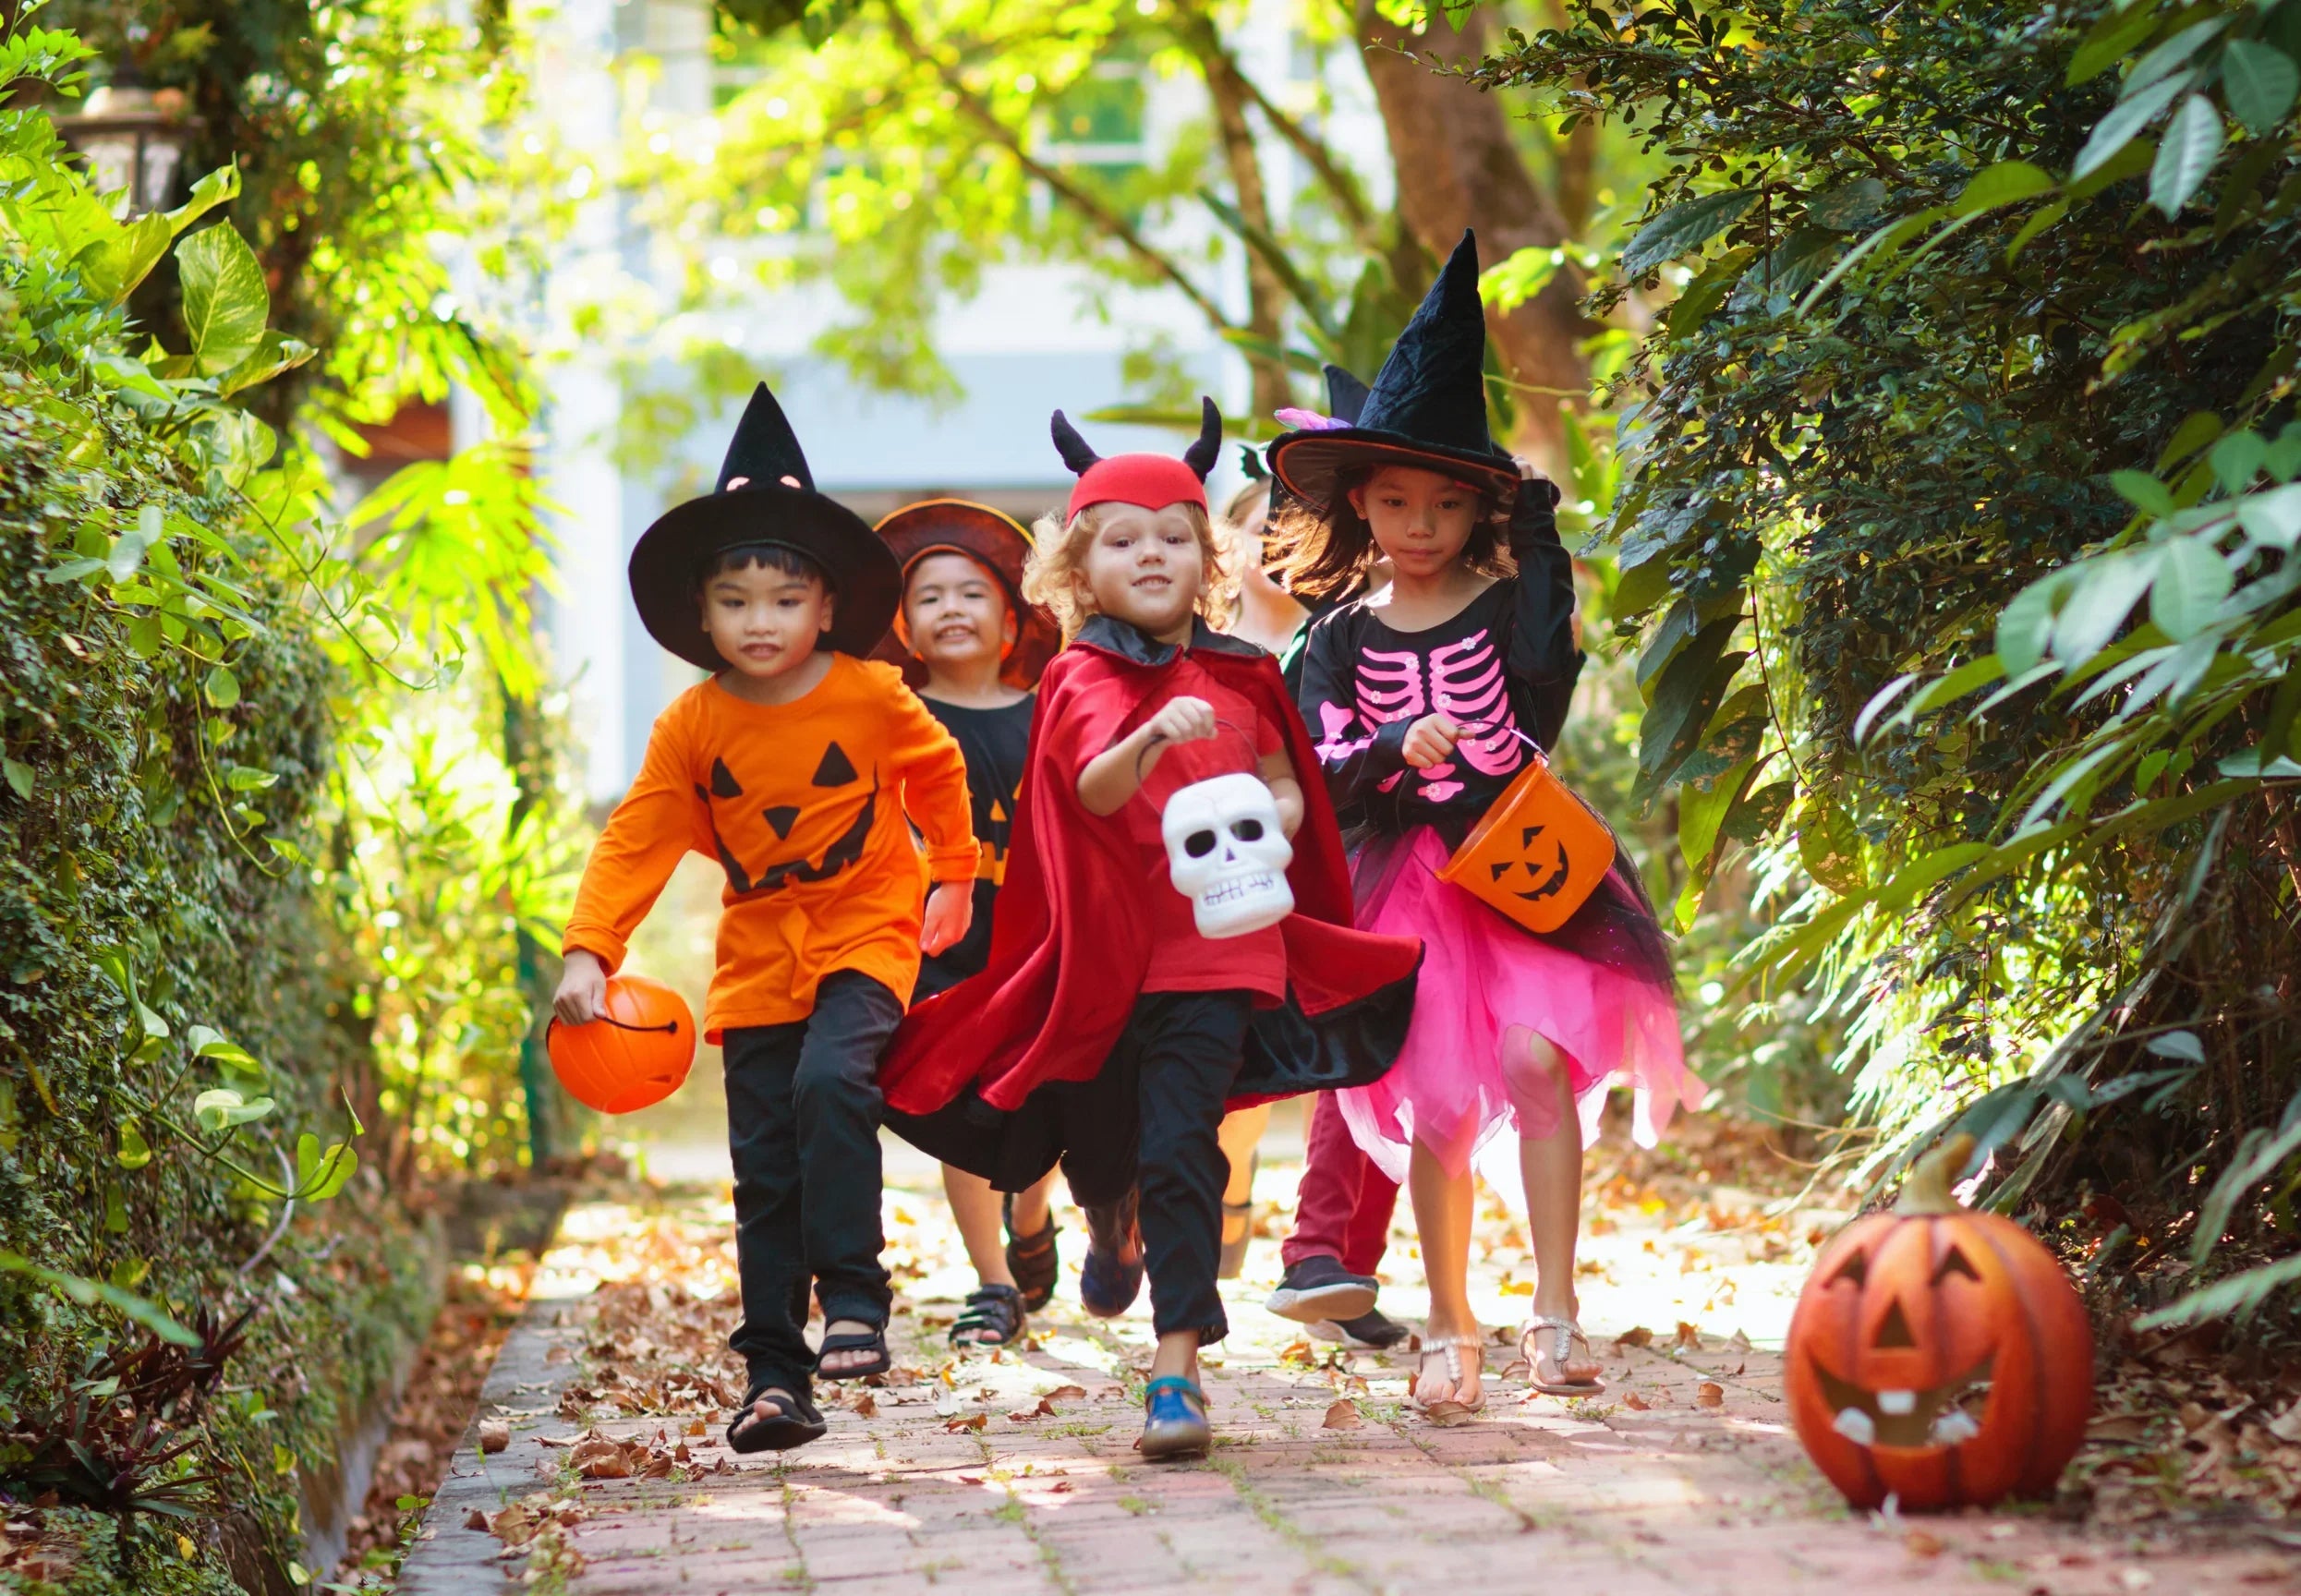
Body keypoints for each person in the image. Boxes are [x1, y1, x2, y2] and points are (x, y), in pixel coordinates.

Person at [878, 400, 1422, 1461]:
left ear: (1206, 553)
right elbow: (1085, 789)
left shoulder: (1244, 673)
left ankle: (1175, 1372)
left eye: (1175, 533)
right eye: (1123, 538)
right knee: (1105, 1145)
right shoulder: (1082, 675)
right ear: (1081, 568)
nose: (1152, 553)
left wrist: (1282, 822)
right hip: (1102, 958)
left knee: (1183, 1147)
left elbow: (1286, 786)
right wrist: (1150, 735)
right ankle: (1104, 1213)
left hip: (1218, 951)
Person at [1266, 234, 1700, 1418]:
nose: (1417, 524)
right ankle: (1448, 1327)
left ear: (1475, 508)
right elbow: (1315, 761)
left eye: (1444, 503)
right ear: (1360, 503)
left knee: (1531, 1064)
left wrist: (1543, 546)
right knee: (1441, 1099)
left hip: (1522, 863)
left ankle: (1551, 1315)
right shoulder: (1340, 633)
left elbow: (1541, 708)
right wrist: (1383, 759)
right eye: (1395, 501)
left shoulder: (1511, 603)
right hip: (1409, 887)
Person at [554, 383, 977, 1454]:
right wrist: (590, 949)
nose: (760, 621)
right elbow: (637, 838)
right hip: (754, 956)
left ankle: (855, 1297)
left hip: (868, 927)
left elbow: (936, 775)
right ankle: (776, 1379)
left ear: (826, 608)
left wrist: (955, 876)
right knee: (765, 1162)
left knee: (833, 1081)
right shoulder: (692, 723)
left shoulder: (873, 697)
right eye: (736, 601)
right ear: (702, 615)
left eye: (784, 600)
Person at [870, 500, 1065, 1348]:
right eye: (929, 597)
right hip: (939, 945)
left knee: (1046, 1101)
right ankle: (991, 1282)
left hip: (1041, 937)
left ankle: (1032, 1213)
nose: (950, 608)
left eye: (971, 592)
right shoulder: (891, 722)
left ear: (1012, 615)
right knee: (960, 1104)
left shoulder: (1052, 708)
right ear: (904, 628)